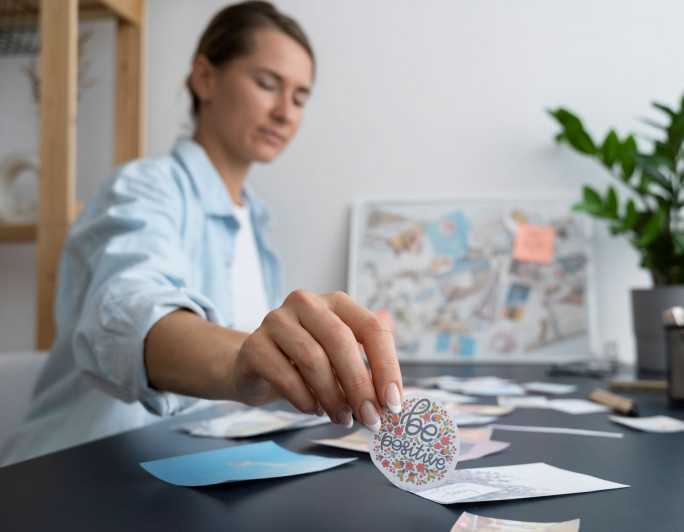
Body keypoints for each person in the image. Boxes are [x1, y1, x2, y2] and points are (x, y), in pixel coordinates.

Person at [0, 1, 402, 466]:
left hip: (200, 466)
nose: (284, 112)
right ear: (205, 78)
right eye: (268, 84)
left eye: (299, 98)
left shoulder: (257, 226)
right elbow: (128, 311)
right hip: (82, 473)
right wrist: (244, 359)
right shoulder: (143, 189)